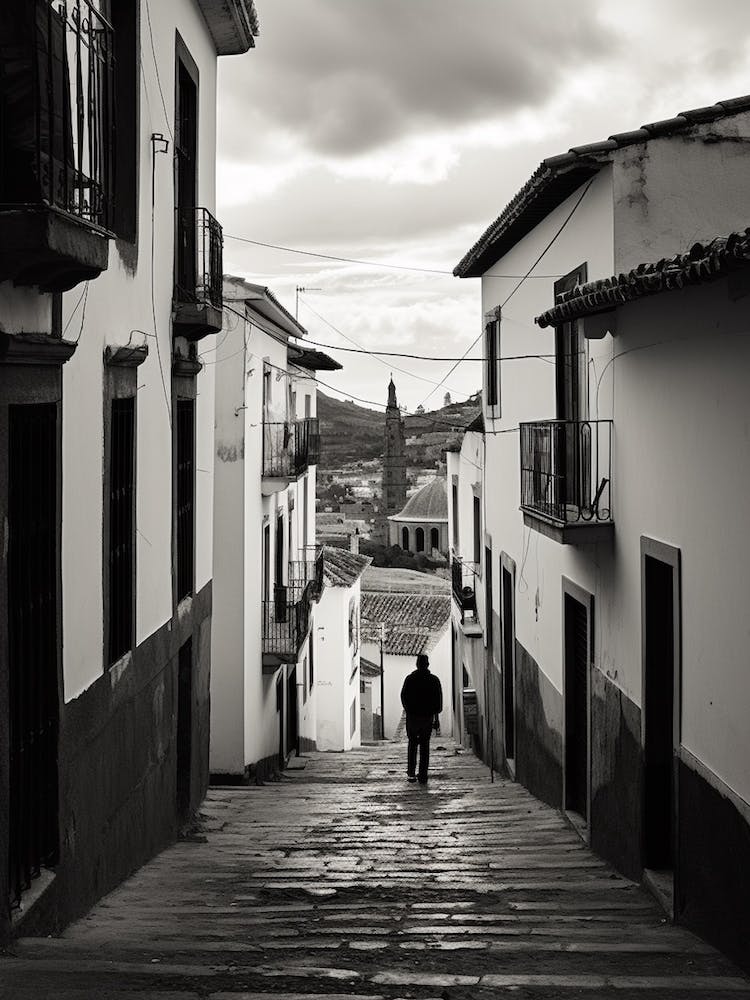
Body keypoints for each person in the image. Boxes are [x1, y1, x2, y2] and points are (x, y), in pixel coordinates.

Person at [400, 653, 443, 784]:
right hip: (427, 717)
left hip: (413, 717)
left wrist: (409, 711)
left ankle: (411, 773)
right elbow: (438, 701)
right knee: (425, 745)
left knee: (412, 744)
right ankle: (423, 774)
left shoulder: (410, 679)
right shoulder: (434, 680)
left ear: (417, 664)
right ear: (427, 665)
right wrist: (436, 717)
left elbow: (403, 696)